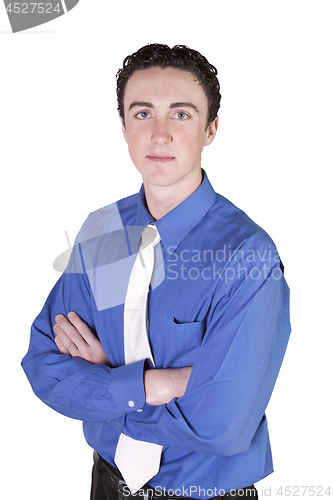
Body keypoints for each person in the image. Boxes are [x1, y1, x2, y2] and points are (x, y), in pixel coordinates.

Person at [22, 44, 291, 500]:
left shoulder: (247, 255)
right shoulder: (105, 229)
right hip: (106, 482)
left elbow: (221, 426)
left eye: (181, 115)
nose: (160, 134)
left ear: (211, 129)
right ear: (124, 126)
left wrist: (105, 386)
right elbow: (44, 367)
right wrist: (159, 384)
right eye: (143, 113)